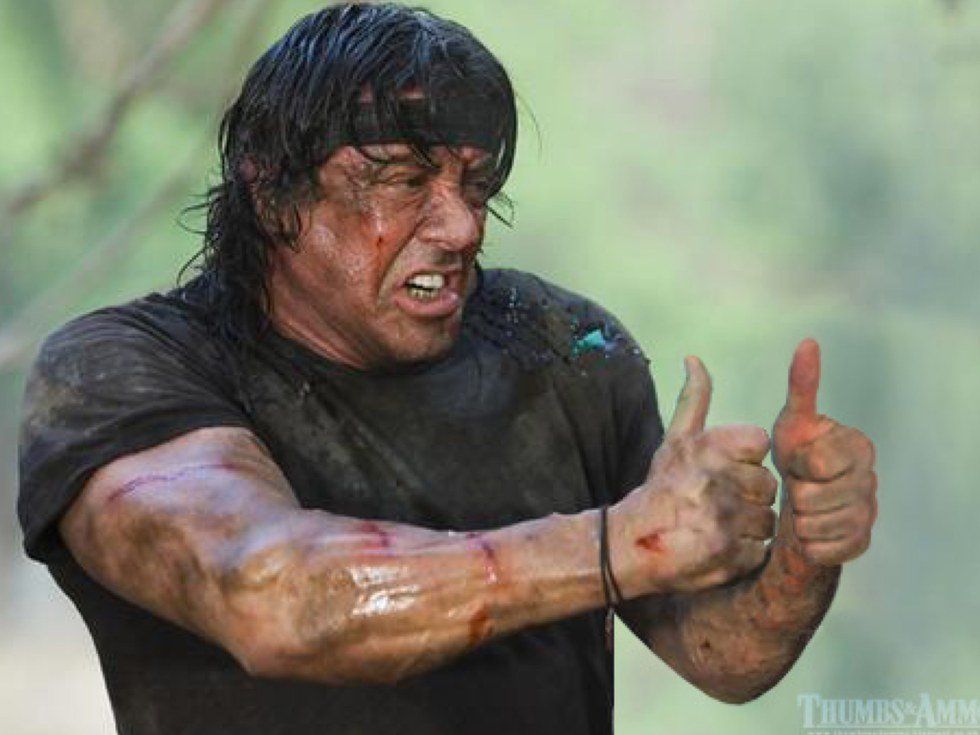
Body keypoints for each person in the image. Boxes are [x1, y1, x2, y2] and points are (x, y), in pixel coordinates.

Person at [16, 4, 878, 734]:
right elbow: (270, 596)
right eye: (401, 180)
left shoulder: (562, 347)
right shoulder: (124, 370)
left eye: (473, 183)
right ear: (273, 192)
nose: (462, 226)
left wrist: (809, 543)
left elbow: (724, 653)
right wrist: (617, 544)